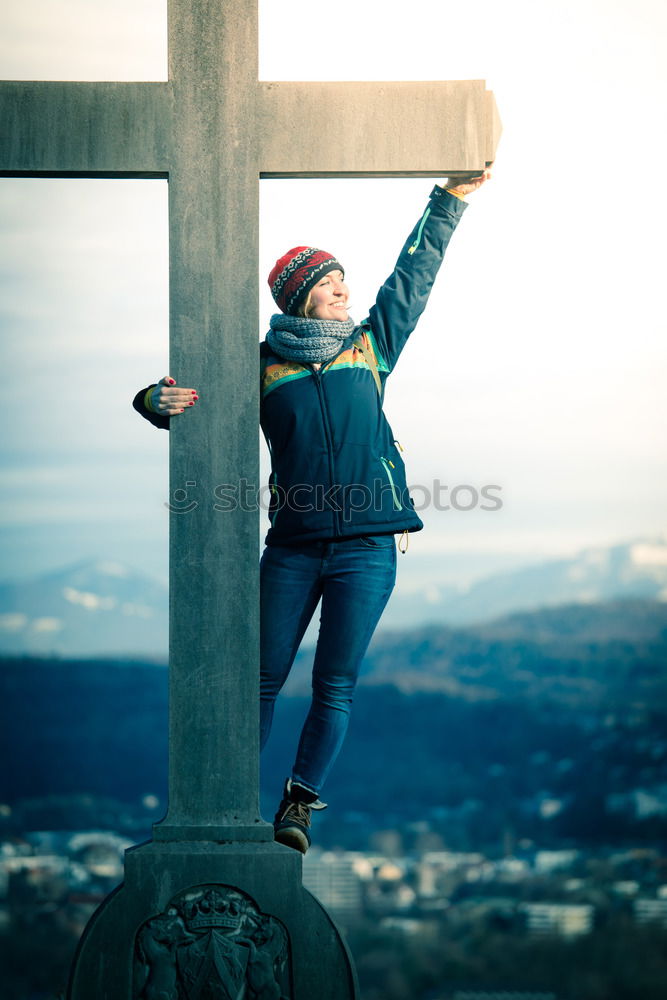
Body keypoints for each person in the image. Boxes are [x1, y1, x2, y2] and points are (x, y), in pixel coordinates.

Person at [133, 170, 491, 853]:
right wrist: (154, 401)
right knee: (259, 680)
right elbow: (181, 394)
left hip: (368, 547)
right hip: (294, 548)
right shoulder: (260, 366)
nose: (345, 292)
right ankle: (229, 800)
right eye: (330, 283)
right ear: (299, 295)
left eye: (343, 281)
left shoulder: (371, 346)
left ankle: (296, 806)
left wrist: (448, 200)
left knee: (335, 684)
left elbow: (411, 278)